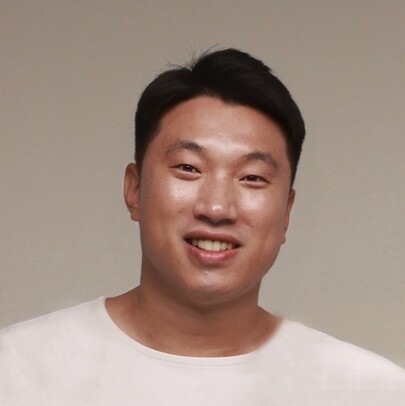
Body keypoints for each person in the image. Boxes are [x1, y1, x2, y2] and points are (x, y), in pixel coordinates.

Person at [0, 48, 403, 405]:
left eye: (252, 178)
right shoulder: (17, 370)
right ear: (134, 189)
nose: (217, 207)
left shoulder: (372, 393)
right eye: (188, 168)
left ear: (286, 212)